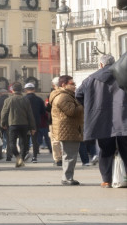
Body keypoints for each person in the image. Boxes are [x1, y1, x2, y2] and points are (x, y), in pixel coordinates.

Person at [76, 54, 127, 188]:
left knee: (105, 150)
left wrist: (90, 106)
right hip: (123, 118)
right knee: (125, 149)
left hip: (100, 119)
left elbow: (78, 94)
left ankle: (106, 180)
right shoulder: (123, 75)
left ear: (100, 64)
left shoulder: (91, 78)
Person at [51, 75, 84, 185]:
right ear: (64, 85)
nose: (74, 86)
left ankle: (67, 177)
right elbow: (71, 111)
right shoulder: (64, 97)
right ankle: (67, 177)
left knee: (69, 154)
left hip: (68, 128)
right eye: (72, 84)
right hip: (68, 129)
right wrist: (83, 105)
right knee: (70, 155)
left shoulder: (67, 95)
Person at [0, 82, 36, 167]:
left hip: (13, 124)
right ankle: (21, 159)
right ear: (21, 90)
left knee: (12, 142)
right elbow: (30, 114)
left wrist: (3, 123)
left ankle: (17, 156)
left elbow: (4, 113)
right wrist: (32, 127)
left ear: (12, 90)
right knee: (23, 142)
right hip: (24, 124)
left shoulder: (8, 100)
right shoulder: (26, 100)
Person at [24, 83, 48, 163]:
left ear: (25, 90)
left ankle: (25, 154)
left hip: (25, 121)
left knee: (25, 139)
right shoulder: (39, 99)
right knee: (35, 140)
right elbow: (43, 112)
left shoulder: (23, 99)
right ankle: (34, 156)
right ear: (34, 89)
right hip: (36, 122)